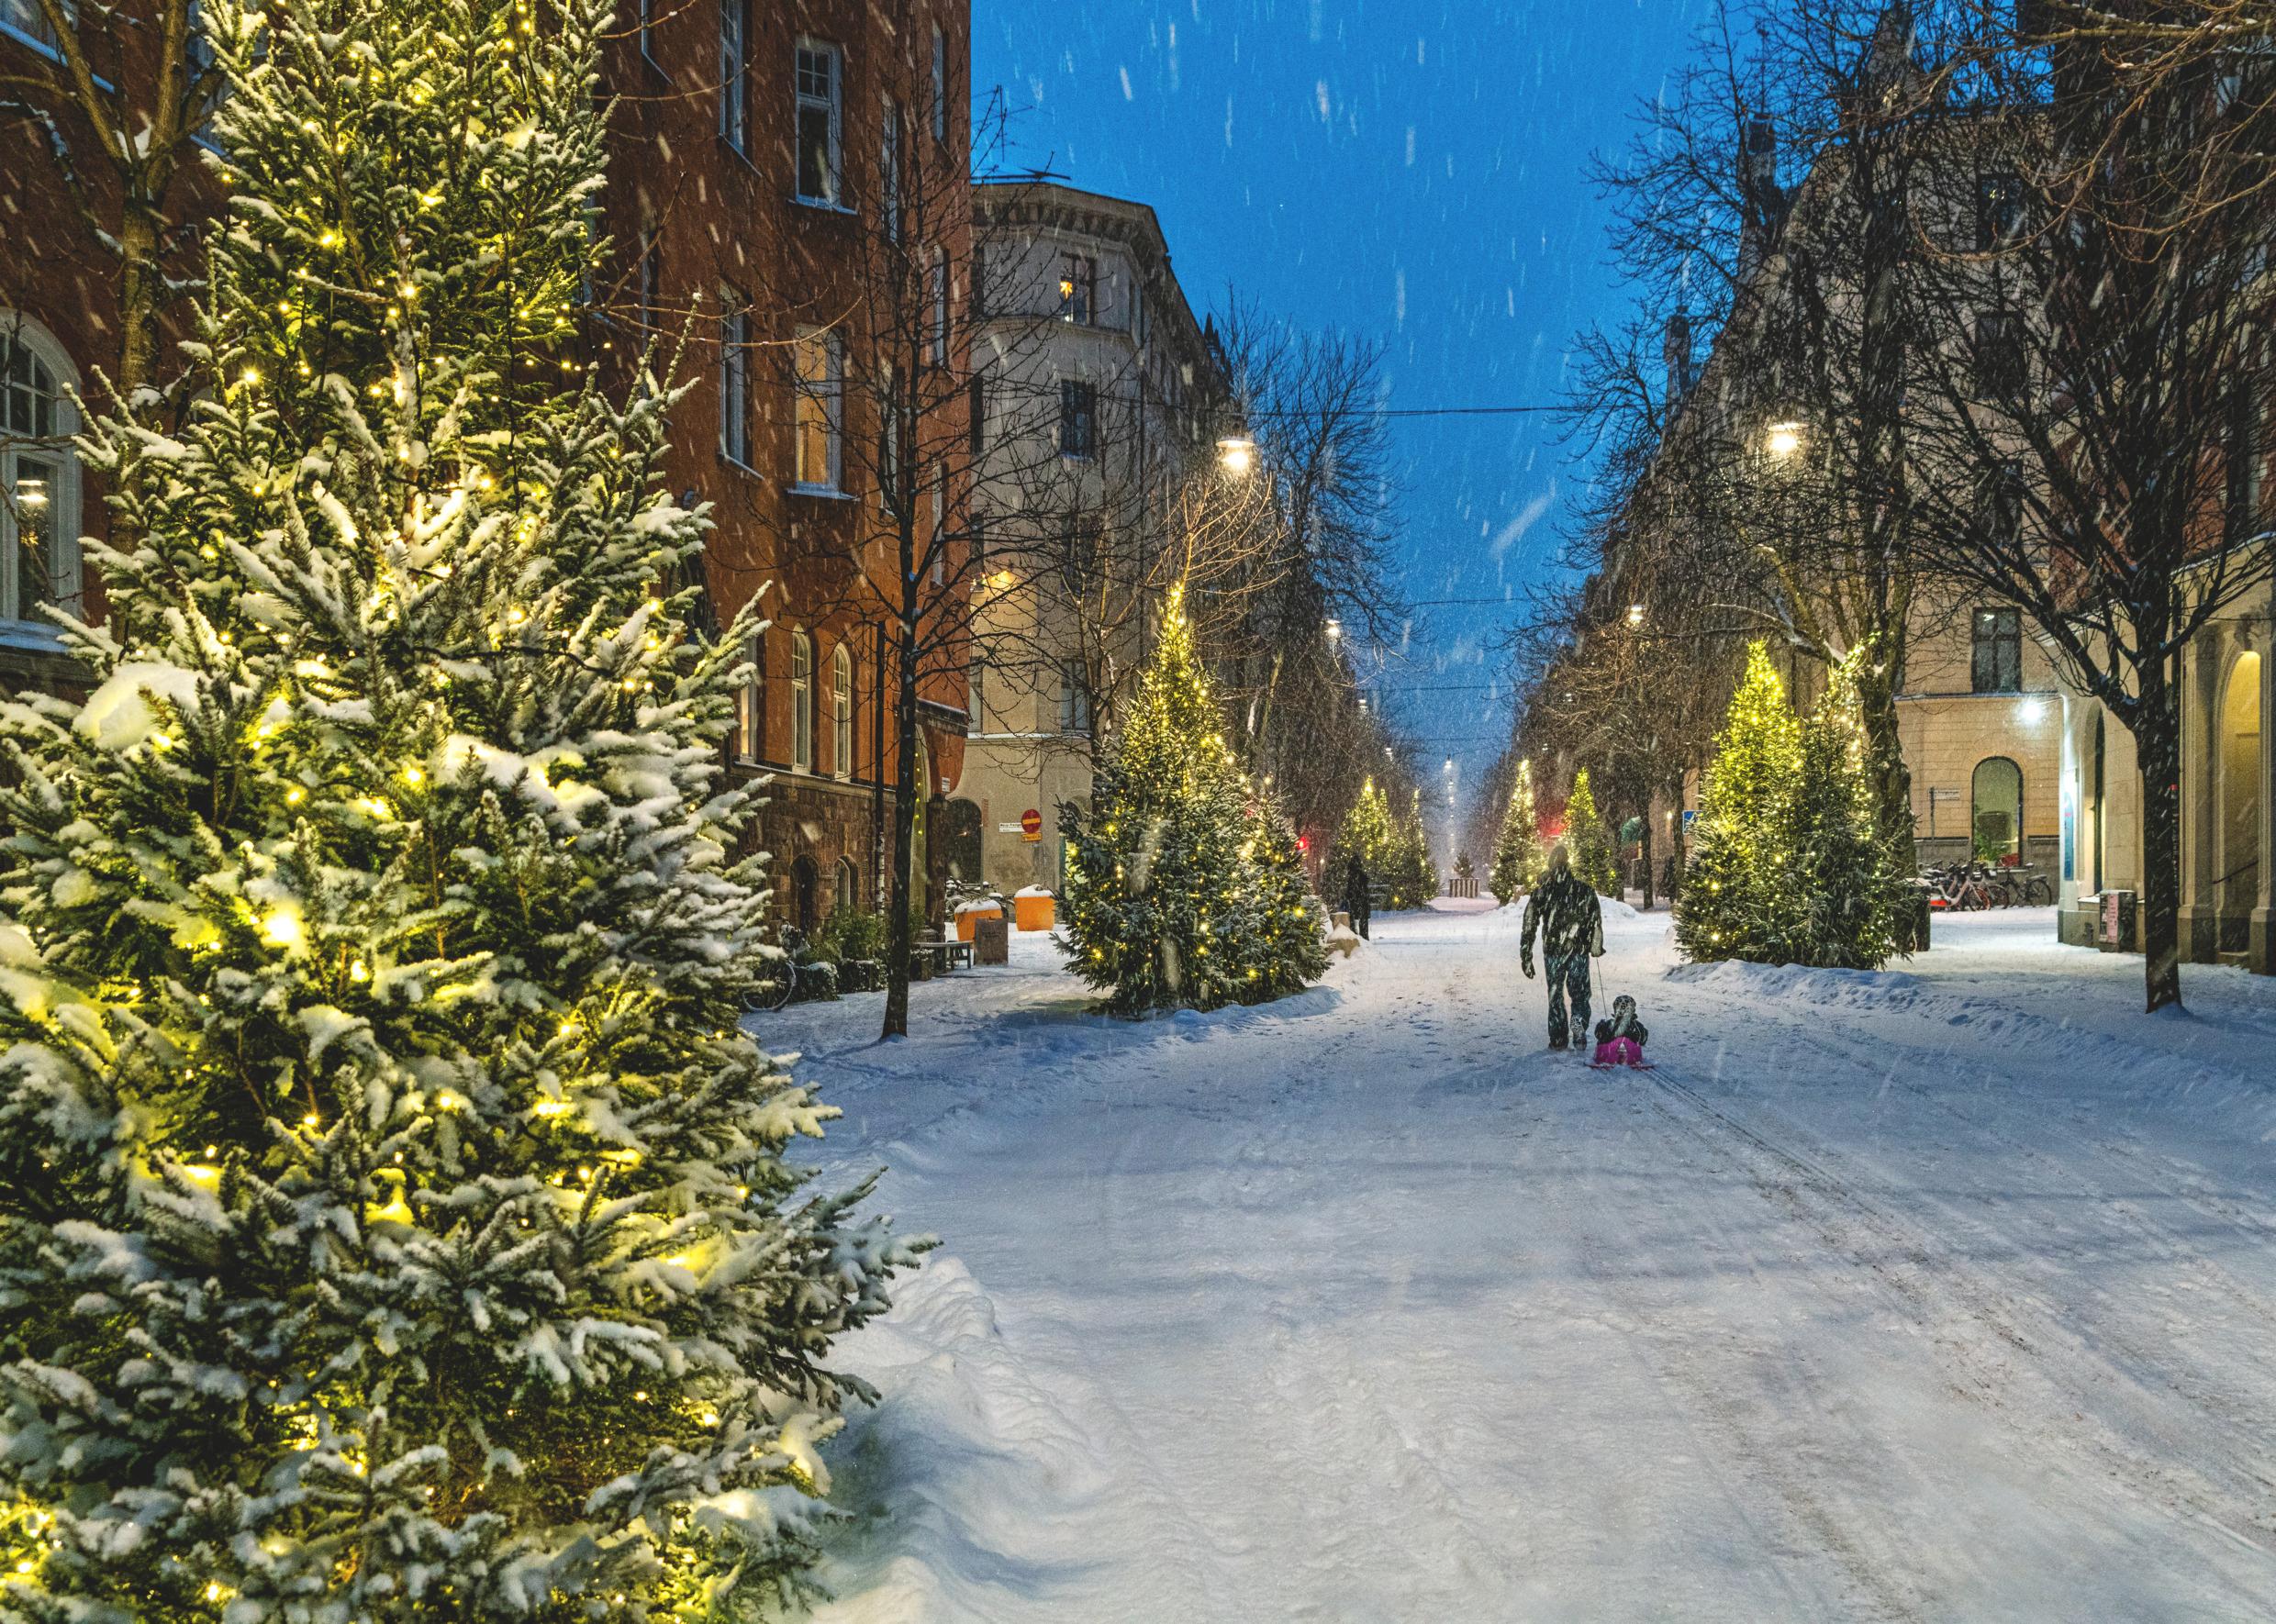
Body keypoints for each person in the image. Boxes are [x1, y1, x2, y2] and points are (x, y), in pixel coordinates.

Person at [1520, 843, 1604, 1051]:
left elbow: (1529, 923)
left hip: (1553, 951)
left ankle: (1558, 1038)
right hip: (1578, 950)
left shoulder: (1543, 891)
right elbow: (1595, 921)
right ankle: (1579, 1023)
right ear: (1568, 864)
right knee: (1580, 993)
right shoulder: (1583, 890)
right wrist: (1595, 946)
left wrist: (1526, 955)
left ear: (1550, 865)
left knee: (1555, 995)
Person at [1591, 995, 1650, 1068]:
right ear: (1633, 1010)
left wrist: (1600, 1026)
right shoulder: (1637, 1026)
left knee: (1605, 1038)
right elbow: (1643, 1040)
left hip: (1609, 1054)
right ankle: (1626, 1056)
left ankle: (1611, 1055)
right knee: (1633, 1042)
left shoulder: (1610, 1024)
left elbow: (1599, 1035)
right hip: (1631, 1056)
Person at [1343, 851, 1372, 940]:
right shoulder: (1362, 875)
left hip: (1355, 902)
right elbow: (1365, 890)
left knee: (1352, 921)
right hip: (1362, 902)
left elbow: (1350, 891)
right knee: (1363, 925)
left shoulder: (1352, 876)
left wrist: (1349, 897)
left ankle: (1354, 938)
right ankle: (1364, 939)